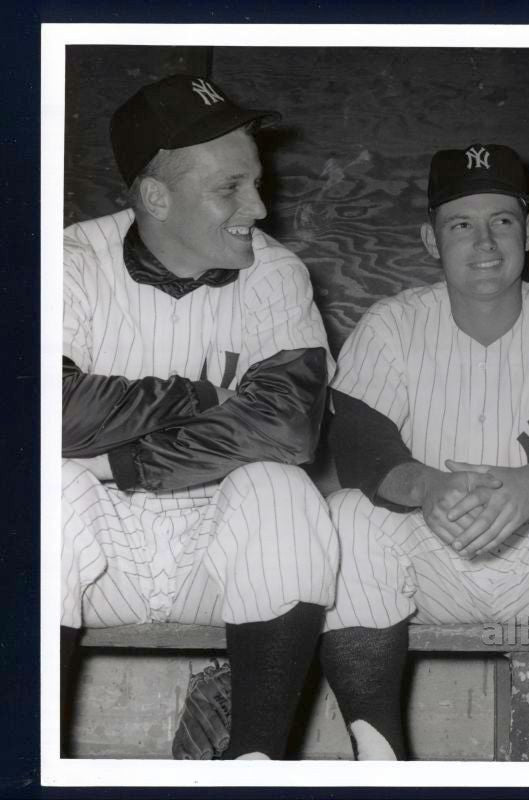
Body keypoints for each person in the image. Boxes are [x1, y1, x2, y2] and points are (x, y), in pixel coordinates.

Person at [319, 143, 529, 762]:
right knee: (345, 515)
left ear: (528, 230)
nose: (484, 243)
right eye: (461, 225)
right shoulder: (391, 324)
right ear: (430, 239)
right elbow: (360, 450)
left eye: (501, 221)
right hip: (428, 564)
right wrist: (425, 486)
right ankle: (377, 756)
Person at [61, 74, 339, 760]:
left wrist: (123, 457)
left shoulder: (275, 271)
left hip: (217, 554)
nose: (260, 206)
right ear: (156, 196)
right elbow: (48, 411)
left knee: (281, 488)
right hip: (95, 559)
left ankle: (256, 764)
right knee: (43, 491)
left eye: (255, 181)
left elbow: (287, 424)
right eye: (230, 189)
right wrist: (204, 395)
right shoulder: (69, 259)